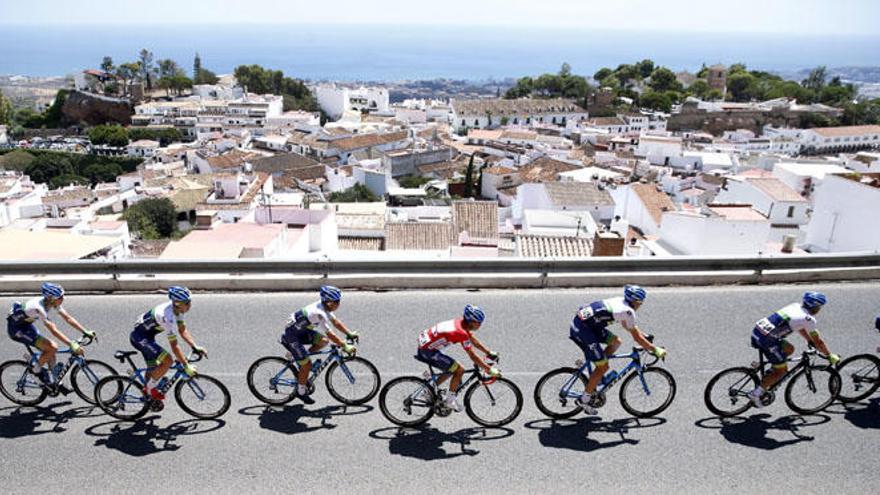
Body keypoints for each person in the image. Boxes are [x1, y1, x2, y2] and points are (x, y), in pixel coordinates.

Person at [570, 285, 666, 415]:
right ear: (635, 302)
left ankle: (596, 367)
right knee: (603, 367)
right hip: (584, 330)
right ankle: (584, 399)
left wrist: (643, 336)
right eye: (640, 303)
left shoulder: (621, 302)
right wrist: (655, 350)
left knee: (616, 342)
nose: (640, 306)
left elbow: (627, 325)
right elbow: (636, 338)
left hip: (586, 324)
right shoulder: (628, 311)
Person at [748, 291, 839, 407]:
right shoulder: (809, 319)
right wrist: (829, 355)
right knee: (782, 371)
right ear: (815, 307)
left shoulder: (795, 306)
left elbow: (799, 327)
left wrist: (808, 339)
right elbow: (819, 342)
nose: (820, 309)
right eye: (820, 306)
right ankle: (755, 394)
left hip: (758, 332)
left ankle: (770, 374)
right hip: (767, 340)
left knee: (789, 349)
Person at [6, 282, 95, 389]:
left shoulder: (51, 303)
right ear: (51, 298)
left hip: (26, 326)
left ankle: (54, 382)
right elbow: (53, 330)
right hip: (17, 330)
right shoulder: (39, 308)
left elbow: (68, 318)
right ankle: (35, 371)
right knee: (52, 347)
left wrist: (85, 331)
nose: (63, 298)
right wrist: (71, 344)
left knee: (50, 350)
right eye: (60, 297)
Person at [281, 285, 358, 405]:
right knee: (306, 365)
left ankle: (297, 354)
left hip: (302, 330)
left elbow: (335, 322)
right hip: (292, 335)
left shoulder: (324, 307)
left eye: (338, 301)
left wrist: (349, 333)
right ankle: (300, 391)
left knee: (324, 341)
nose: (338, 304)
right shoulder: (319, 313)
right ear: (328, 302)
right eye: (336, 302)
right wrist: (344, 345)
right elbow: (330, 333)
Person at [415, 304, 500, 412]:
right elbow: (472, 355)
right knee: (459, 370)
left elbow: (472, 339)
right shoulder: (460, 333)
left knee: (451, 369)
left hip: (428, 346)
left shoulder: (460, 323)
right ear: (470, 321)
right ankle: (450, 400)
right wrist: (488, 369)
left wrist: (488, 352)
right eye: (478, 322)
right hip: (428, 351)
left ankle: (430, 389)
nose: (480, 325)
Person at [130, 286, 206, 401]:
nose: (189, 305)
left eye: (189, 301)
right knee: (168, 360)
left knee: (153, 369)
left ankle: (147, 398)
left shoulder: (178, 310)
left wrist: (194, 346)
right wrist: (186, 365)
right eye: (187, 302)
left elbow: (182, 330)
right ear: (177, 303)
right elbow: (174, 345)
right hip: (140, 338)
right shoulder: (166, 316)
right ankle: (149, 389)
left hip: (148, 336)